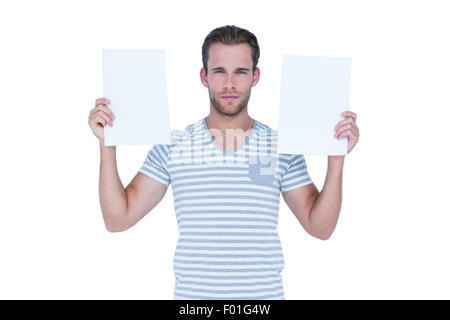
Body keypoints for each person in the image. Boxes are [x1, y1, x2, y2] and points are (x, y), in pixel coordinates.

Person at [88, 25, 360, 300]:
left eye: (240, 72)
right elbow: (117, 219)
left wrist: (336, 160)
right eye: (219, 72)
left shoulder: (281, 148)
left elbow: (320, 228)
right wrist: (107, 144)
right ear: (204, 77)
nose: (229, 84)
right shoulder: (173, 146)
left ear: (255, 77)